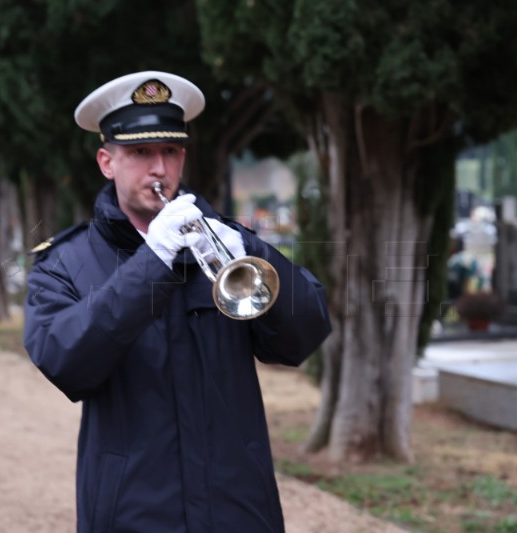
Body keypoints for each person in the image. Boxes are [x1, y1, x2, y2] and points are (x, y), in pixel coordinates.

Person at [23, 71, 331, 533]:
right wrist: (154, 261)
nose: (159, 169)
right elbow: (65, 362)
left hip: (239, 508)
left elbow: (302, 336)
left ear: (183, 156)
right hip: (134, 513)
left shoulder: (229, 242)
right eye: (140, 152)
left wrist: (255, 253)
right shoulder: (65, 263)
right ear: (107, 161)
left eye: (170, 151)